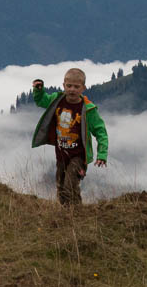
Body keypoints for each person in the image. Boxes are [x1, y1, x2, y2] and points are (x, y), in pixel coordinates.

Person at [31, 68, 109, 205]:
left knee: (70, 185)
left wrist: (102, 154)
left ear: (83, 88)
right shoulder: (57, 100)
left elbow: (101, 131)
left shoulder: (88, 109)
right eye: (69, 86)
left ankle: (76, 214)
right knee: (60, 187)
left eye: (76, 87)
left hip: (78, 156)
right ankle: (67, 215)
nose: (72, 89)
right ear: (63, 86)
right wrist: (38, 90)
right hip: (61, 154)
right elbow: (42, 101)